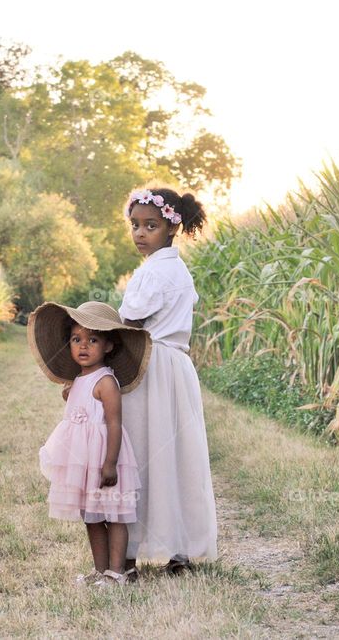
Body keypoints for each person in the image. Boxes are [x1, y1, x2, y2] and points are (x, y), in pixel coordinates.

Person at [117, 186, 218, 579]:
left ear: (172, 226)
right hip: (176, 367)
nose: (140, 234)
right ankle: (181, 548)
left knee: (140, 449)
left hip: (151, 364)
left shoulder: (155, 272)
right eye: (135, 226)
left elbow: (131, 317)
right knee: (177, 452)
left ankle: (129, 551)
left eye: (151, 226)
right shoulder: (175, 269)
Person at [27, 300, 153, 586]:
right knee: (92, 516)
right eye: (76, 339)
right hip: (82, 463)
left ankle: (117, 572)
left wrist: (110, 463)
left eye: (92, 339)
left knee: (115, 515)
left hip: (105, 460)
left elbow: (113, 423)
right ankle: (100, 570)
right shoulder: (76, 382)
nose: (83, 346)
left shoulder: (106, 382)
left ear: (108, 346)